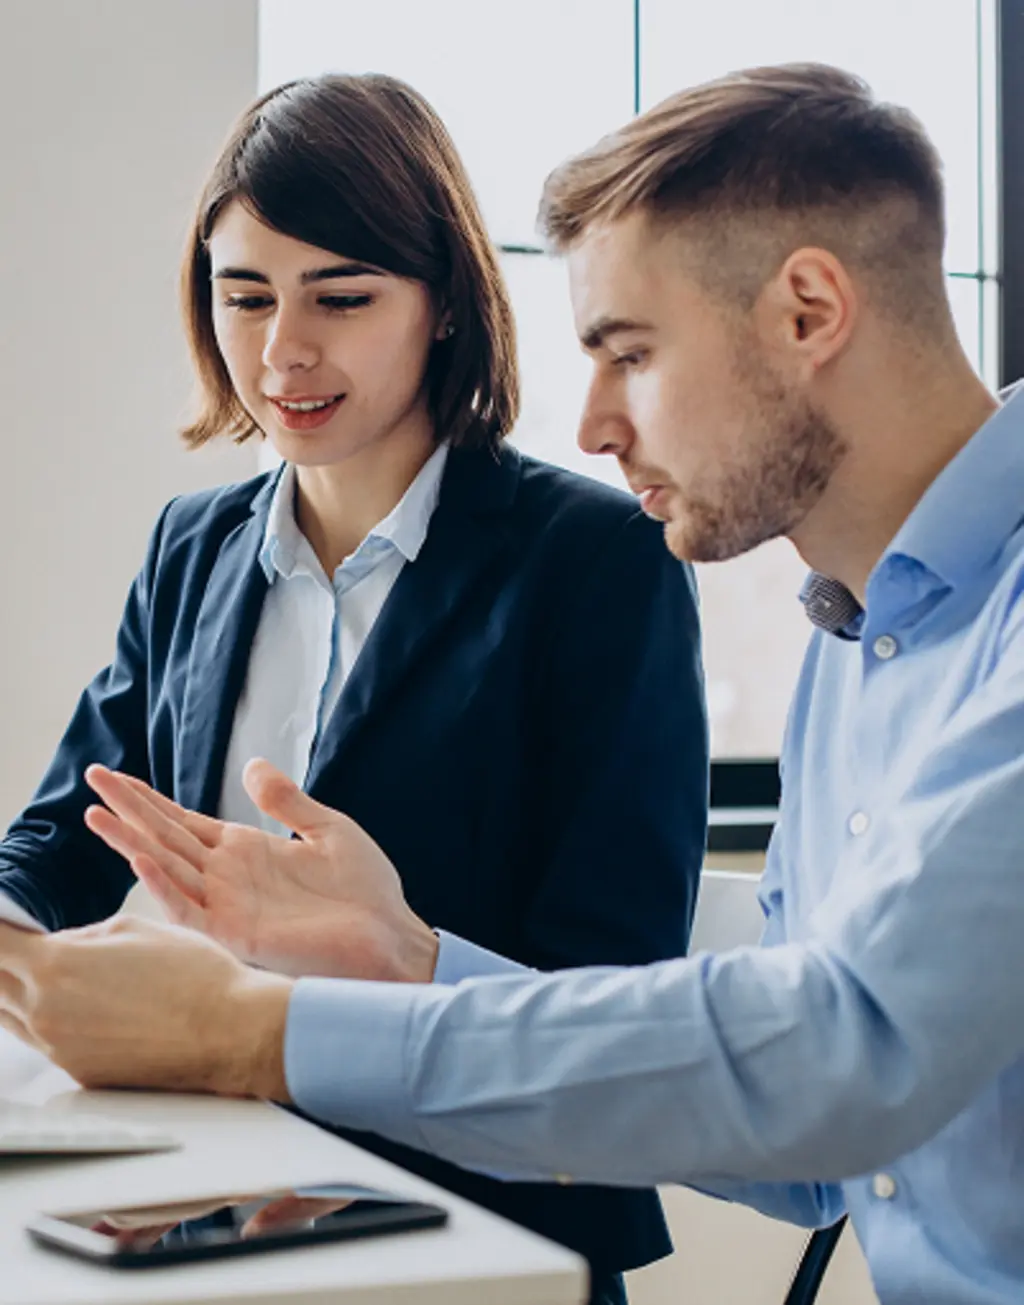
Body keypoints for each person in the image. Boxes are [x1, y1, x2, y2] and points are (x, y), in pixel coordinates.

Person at [3, 59, 1018, 1304]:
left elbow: (837, 1058)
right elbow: (811, 1154)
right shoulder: (853, 643)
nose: (588, 423)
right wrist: (407, 954)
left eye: (629, 353)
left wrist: (249, 1034)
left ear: (808, 310)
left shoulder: (621, 566)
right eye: (246, 295)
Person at [0, 73, 711, 1305]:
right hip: (203, 1181)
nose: (284, 351)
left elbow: (611, 989)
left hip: (470, 1216)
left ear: (441, 305)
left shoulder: (594, 562)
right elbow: (64, 836)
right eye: (245, 296)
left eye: (341, 296)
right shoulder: (194, 545)